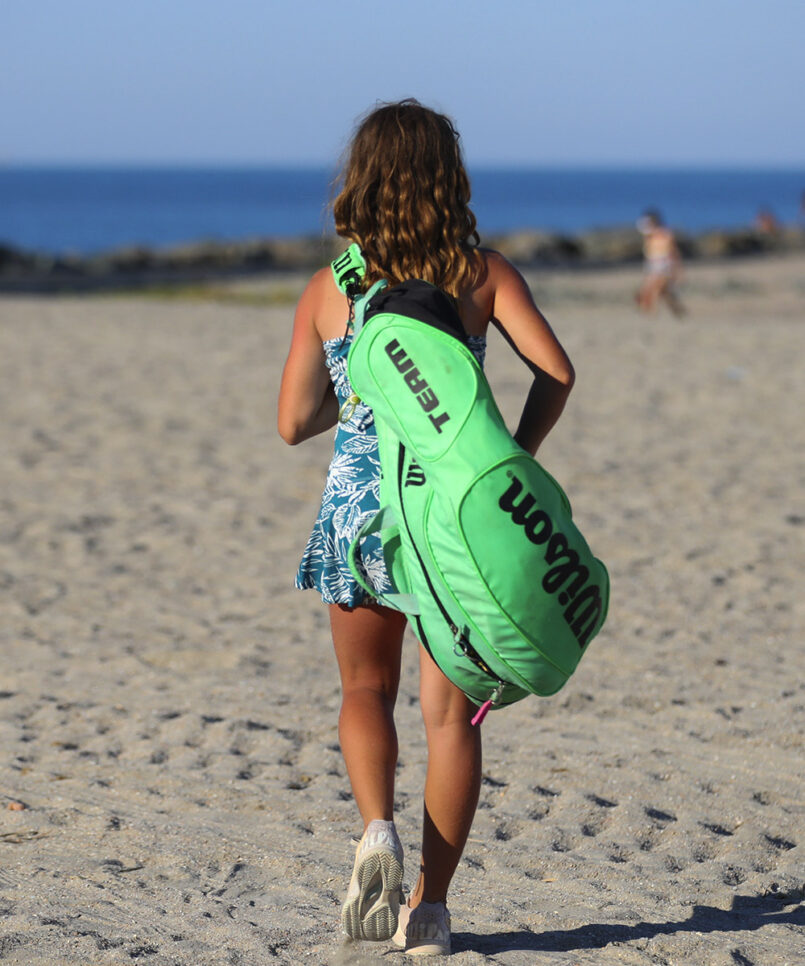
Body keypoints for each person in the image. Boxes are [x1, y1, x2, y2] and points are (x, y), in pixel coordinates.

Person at [277, 99, 574, 956]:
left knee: (363, 694)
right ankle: (431, 911)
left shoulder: (332, 287)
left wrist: (360, 393)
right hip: (455, 520)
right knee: (451, 721)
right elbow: (556, 371)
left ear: (359, 178)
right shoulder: (480, 273)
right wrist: (514, 456)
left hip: (363, 513)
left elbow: (294, 421)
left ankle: (376, 829)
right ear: (449, 177)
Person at [635, 208, 686, 317]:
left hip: (665, 266)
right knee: (661, 292)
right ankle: (678, 311)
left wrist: (678, 270)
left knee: (656, 290)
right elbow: (649, 254)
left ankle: (652, 314)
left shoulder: (666, 235)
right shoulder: (649, 237)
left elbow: (674, 252)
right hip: (653, 266)